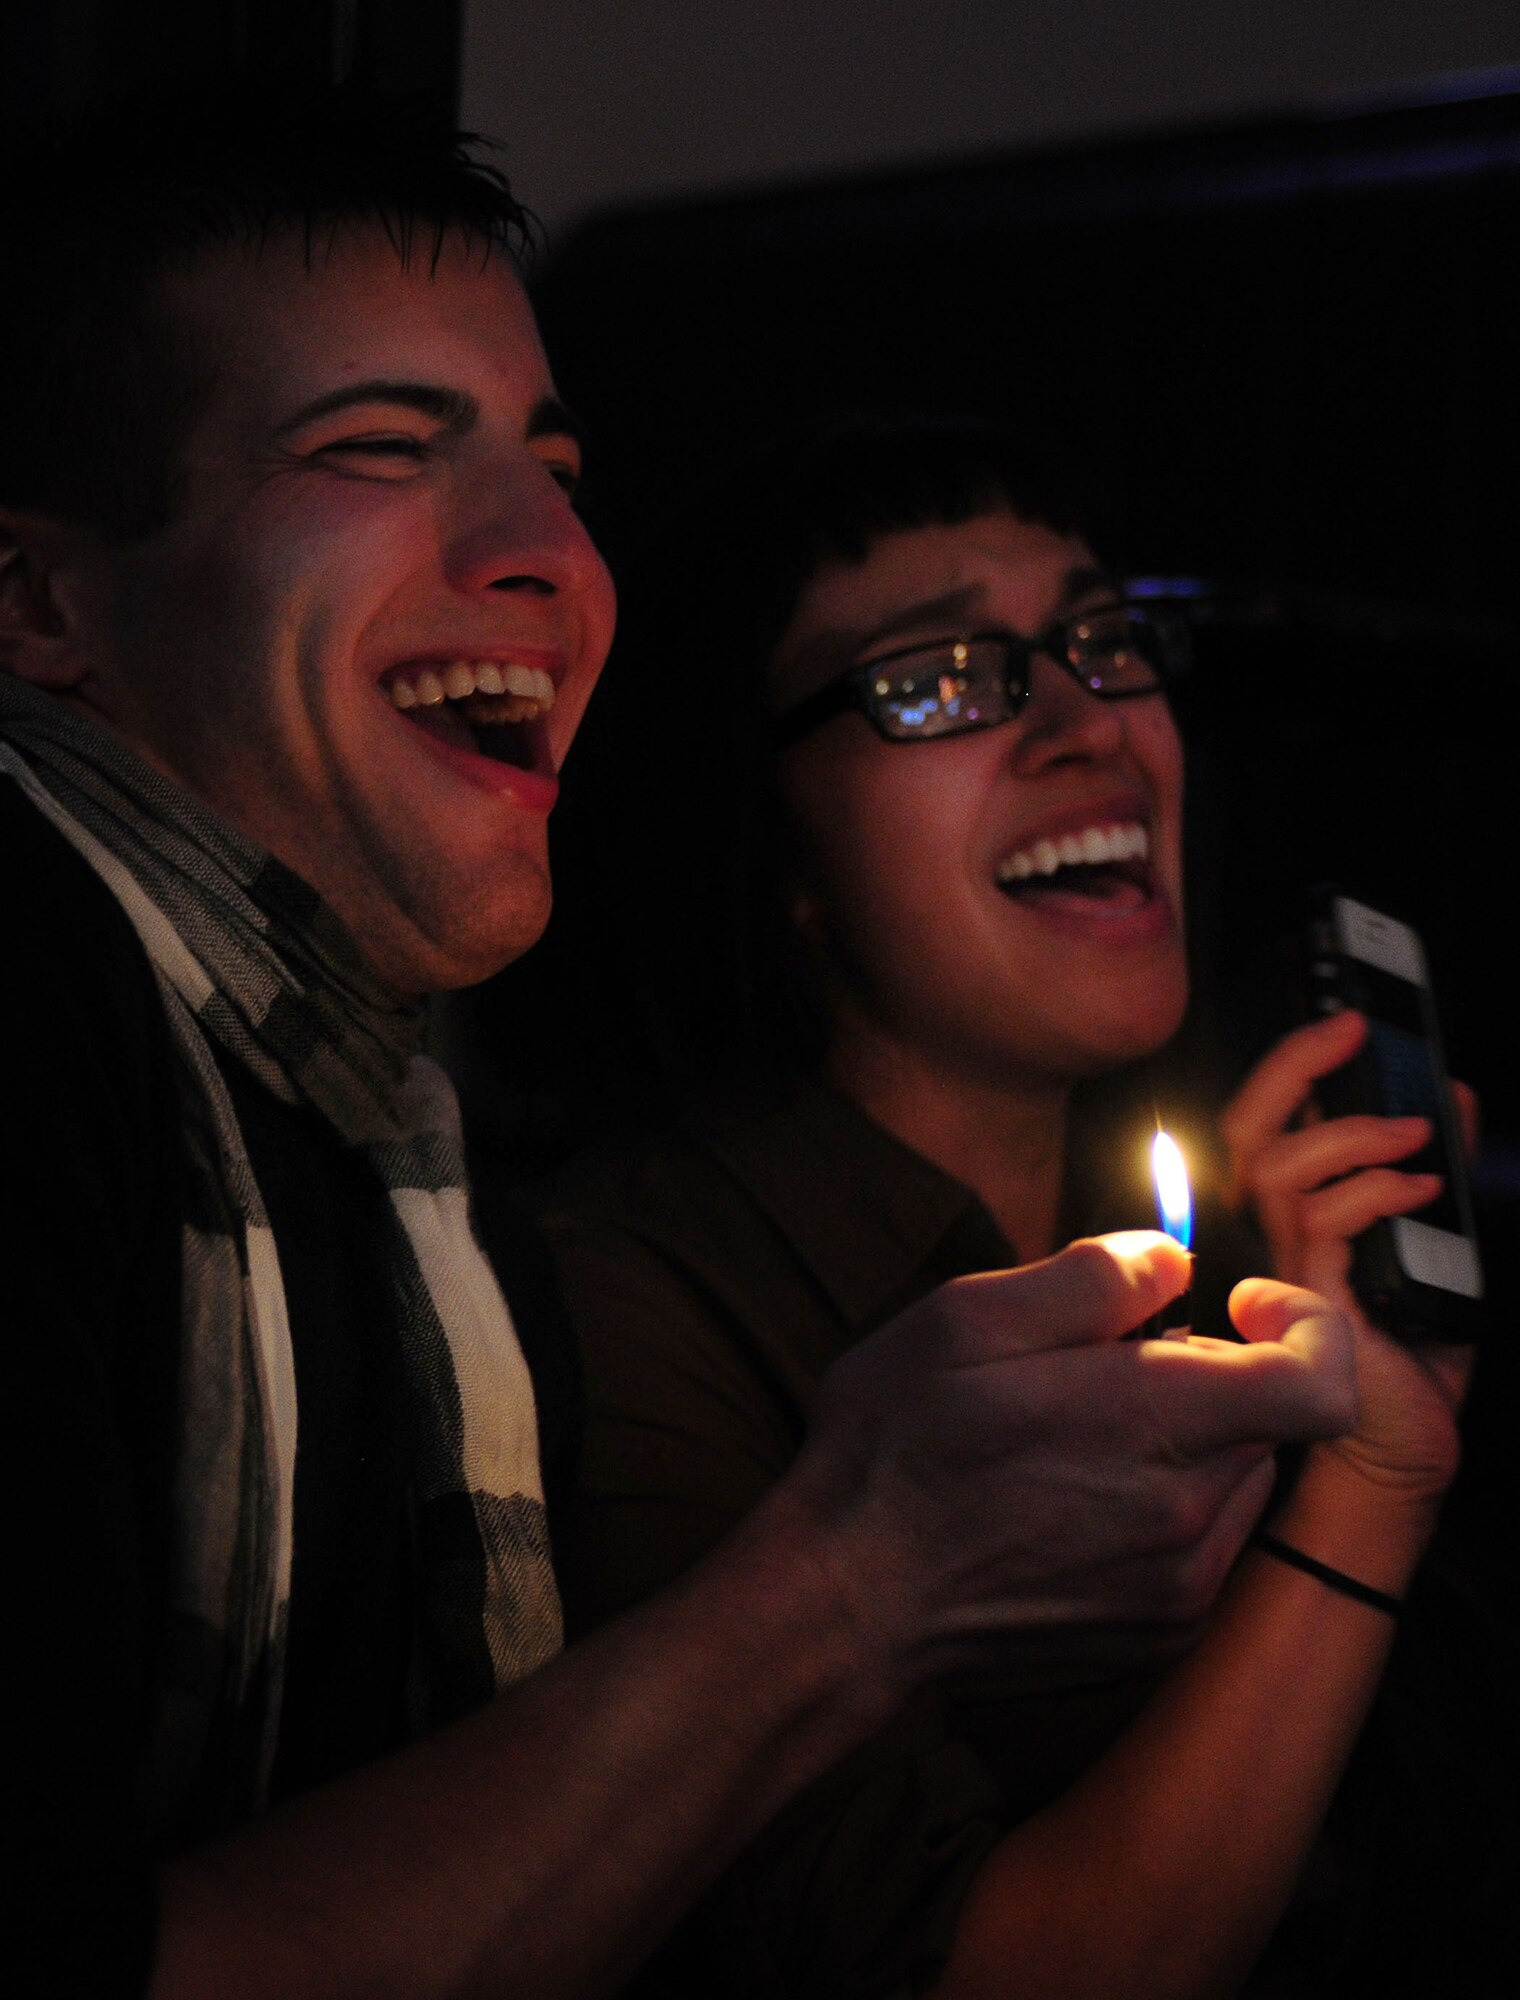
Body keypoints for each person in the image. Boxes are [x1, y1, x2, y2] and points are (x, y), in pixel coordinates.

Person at [0, 95, 1371, 2000]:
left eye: (557, 468)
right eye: (381, 445)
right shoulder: (65, 1022)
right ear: (41, 600)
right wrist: (862, 1575)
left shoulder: (370, 1133)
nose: (549, 551)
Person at [528, 419, 1509, 1996]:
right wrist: (1365, 1500)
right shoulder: (629, 1303)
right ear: (778, 844)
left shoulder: (1246, 1265)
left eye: (1105, 643)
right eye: (936, 680)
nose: (1084, 724)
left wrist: (1372, 1394)